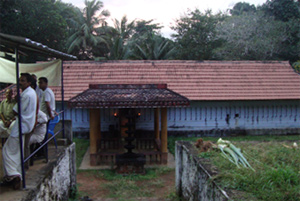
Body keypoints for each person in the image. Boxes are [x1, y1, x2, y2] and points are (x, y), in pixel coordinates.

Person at [1, 73, 37, 189]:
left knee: (6, 150)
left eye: (23, 81)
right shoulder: (31, 93)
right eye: (20, 80)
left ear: (29, 83)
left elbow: (16, 111)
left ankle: (14, 175)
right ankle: (13, 175)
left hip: (21, 125)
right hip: (24, 125)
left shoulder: (26, 95)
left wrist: (17, 100)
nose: (20, 83)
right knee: (16, 152)